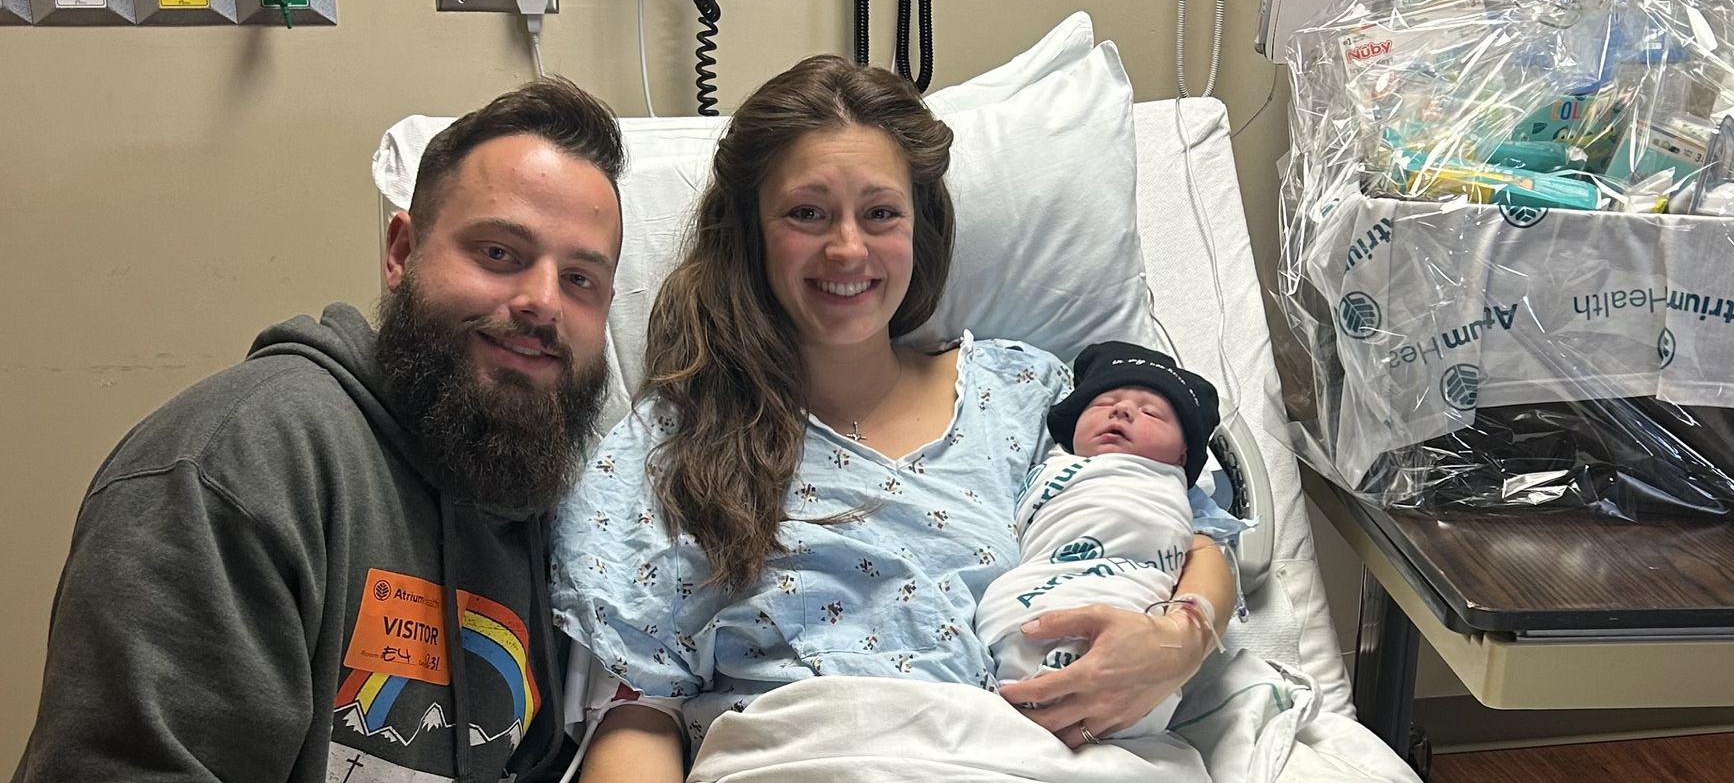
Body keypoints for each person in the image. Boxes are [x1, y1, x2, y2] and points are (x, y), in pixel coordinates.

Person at [550, 56, 1236, 780]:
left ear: (920, 228)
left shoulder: (1028, 396)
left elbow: (1187, 525)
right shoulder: (673, 443)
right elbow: (637, 711)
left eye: (880, 213)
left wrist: (1181, 639)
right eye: (806, 213)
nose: (847, 248)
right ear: (749, 233)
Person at [13, 79, 626, 783]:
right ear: (401, 252)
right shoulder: (233, 471)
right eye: (498, 253)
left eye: (581, 280)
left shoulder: (533, 494)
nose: (542, 302)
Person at [975, 340, 1238, 741]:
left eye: (1151, 412)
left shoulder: (1176, 491)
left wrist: (1183, 631)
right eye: (1102, 404)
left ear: (1183, 455)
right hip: (1031, 596)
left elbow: (1208, 555)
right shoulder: (1047, 463)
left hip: (1132, 608)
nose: (1122, 409)